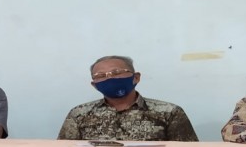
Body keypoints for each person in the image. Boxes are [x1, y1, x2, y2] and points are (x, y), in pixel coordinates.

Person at [57, 55, 198, 141]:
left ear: (136, 77)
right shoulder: (79, 114)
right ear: (94, 85)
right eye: (100, 76)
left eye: (116, 72)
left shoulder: (169, 112)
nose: (110, 78)